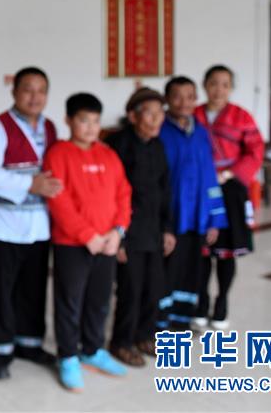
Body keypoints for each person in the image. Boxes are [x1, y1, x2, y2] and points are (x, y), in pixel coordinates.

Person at [0, 67, 62, 380]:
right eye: (28, 89)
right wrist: (29, 185)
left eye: (41, 90)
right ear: (14, 93)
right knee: (0, 290)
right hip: (2, 225)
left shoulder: (51, 127)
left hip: (39, 225)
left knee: (33, 288)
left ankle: (29, 344)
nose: (34, 97)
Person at [44, 93, 131, 392]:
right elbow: (58, 200)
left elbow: (123, 194)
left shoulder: (108, 154)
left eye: (95, 121)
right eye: (83, 120)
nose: (91, 127)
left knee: (99, 300)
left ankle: (93, 349)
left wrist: (118, 232)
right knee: (70, 301)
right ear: (69, 121)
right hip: (72, 244)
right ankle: (68, 356)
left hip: (107, 243)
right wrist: (87, 236)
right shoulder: (58, 153)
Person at [192, 65, 264, 330]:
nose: (218, 89)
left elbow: (255, 150)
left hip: (230, 188)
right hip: (199, 190)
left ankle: (221, 304)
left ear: (231, 88)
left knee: (226, 252)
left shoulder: (241, 116)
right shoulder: (194, 114)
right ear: (204, 85)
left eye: (224, 84)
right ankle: (200, 304)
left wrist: (232, 173)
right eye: (213, 83)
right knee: (200, 251)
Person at [105, 88, 172, 367]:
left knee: (152, 287)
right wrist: (118, 237)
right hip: (128, 231)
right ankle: (121, 342)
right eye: (149, 113)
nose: (156, 120)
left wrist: (168, 229)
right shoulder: (118, 145)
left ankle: (145, 335)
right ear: (132, 116)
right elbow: (108, 194)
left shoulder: (157, 145)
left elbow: (164, 189)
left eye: (160, 114)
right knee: (130, 290)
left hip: (154, 230)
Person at [157, 76, 228, 331]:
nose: (184, 102)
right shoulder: (160, 131)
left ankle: (181, 320)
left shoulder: (200, 132)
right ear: (166, 99)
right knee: (166, 271)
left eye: (190, 96)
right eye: (177, 96)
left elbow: (209, 176)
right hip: (170, 217)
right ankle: (159, 321)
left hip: (197, 217)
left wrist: (214, 220)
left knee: (190, 270)